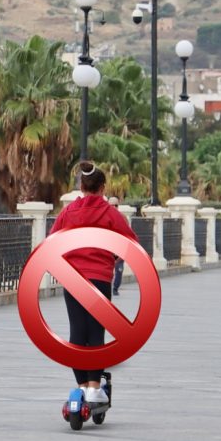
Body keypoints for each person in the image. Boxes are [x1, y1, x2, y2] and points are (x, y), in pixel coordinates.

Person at [48, 162, 139, 403]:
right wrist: (111, 258)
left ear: (81, 187)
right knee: (96, 333)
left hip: (73, 279)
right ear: (103, 188)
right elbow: (131, 243)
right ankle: (94, 388)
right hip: (100, 278)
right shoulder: (111, 213)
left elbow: (52, 241)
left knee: (77, 333)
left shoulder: (68, 212)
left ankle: (81, 386)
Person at [108, 196, 125, 296]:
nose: (114, 207)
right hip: (107, 249)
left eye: (116, 205)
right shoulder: (103, 217)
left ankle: (115, 288)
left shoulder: (122, 217)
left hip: (119, 250)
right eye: (111, 205)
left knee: (119, 270)